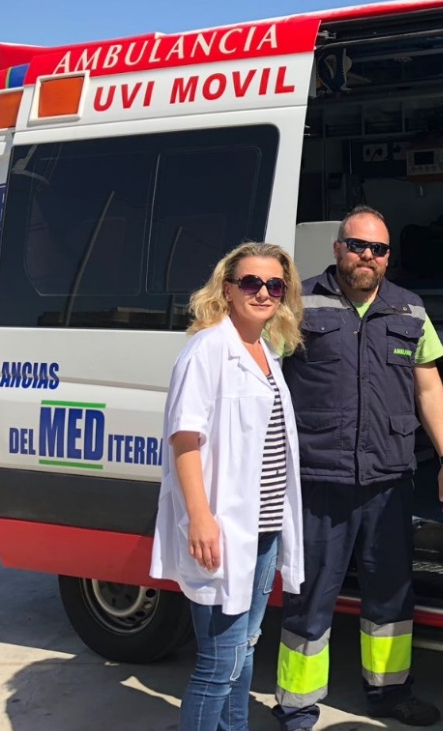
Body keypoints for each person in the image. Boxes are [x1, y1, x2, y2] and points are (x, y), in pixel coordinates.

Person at [272, 205, 443, 729]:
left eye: (378, 249)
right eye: (357, 246)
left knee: (391, 595)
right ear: (338, 248)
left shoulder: (409, 308)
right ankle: (296, 705)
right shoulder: (299, 302)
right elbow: (265, 379)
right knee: (310, 596)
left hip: (388, 480)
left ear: (387, 257)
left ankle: (390, 694)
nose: (367, 256)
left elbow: (429, 387)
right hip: (319, 480)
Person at [150, 241, 307, 731]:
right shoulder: (207, 349)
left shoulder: (266, 350)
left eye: (274, 285)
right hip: (223, 529)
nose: (263, 293)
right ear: (228, 288)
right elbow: (185, 439)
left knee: (244, 650)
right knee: (219, 664)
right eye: (251, 282)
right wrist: (200, 518)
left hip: (263, 528)